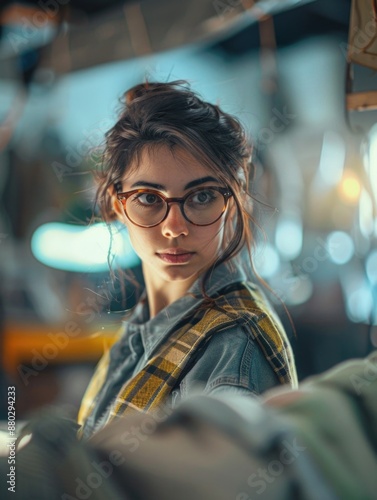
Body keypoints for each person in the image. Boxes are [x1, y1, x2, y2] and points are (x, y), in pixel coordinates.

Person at [77, 80, 297, 440]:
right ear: (119, 205)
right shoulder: (144, 328)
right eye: (149, 198)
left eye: (202, 196)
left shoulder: (233, 349)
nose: (174, 227)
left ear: (233, 201)